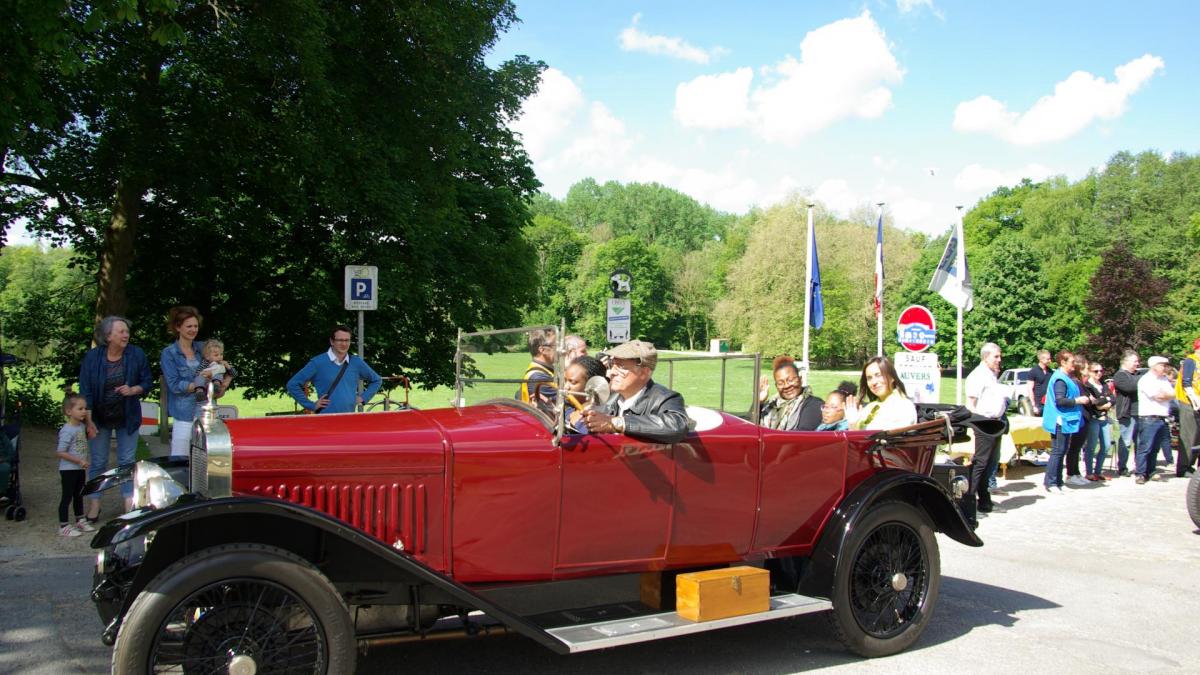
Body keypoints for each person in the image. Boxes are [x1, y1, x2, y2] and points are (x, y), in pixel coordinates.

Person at [80, 315, 153, 518]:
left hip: (127, 417)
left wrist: (133, 390)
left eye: (127, 331)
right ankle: (95, 504)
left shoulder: (136, 354)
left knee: (127, 461)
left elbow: (148, 382)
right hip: (99, 418)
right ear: (108, 336)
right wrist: (89, 421)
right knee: (98, 462)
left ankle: (128, 502)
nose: (126, 335)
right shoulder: (93, 357)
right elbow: (85, 391)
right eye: (121, 331)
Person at [582, 340, 688, 444]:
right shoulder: (610, 397)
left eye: (621, 366)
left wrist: (614, 423)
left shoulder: (665, 398)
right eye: (612, 364)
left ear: (644, 372)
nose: (612, 372)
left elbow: (676, 425)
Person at [160, 306, 232, 457]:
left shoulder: (204, 347)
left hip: (207, 411)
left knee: (207, 457)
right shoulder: (169, 353)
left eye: (196, 326)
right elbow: (174, 385)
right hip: (184, 413)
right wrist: (200, 385)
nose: (193, 329)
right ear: (177, 327)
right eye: (189, 326)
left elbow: (220, 367)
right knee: (180, 458)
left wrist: (223, 382)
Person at [286, 325, 382, 414]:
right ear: (332, 341)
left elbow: (377, 380)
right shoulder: (317, 363)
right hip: (325, 419)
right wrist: (311, 405)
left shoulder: (356, 362)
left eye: (347, 340)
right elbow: (292, 384)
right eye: (340, 340)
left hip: (349, 418)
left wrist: (363, 398)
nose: (344, 344)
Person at [965, 342, 1009, 513]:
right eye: (996, 356)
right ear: (985, 357)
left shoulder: (991, 375)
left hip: (995, 422)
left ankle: (984, 501)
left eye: (1000, 356)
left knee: (989, 464)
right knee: (980, 463)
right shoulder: (978, 376)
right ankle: (968, 501)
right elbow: (971, 404)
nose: (999, 359)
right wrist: (979, 424)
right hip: (984, 423)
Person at [1041, 350, 1089, 493]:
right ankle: (1050, 483)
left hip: (1067, 419)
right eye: (1072, 362)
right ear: (1063, 362)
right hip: (1060, 420)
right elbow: (1060, 400)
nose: (1074, 365)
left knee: (1061, 451)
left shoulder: (1066, 377)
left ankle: (1059, 482)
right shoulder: (1060, 379)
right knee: (1058, 451)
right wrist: (1078, 400)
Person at [56, 394, 93, 537]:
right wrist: (79, 461)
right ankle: (63, 525)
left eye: (85, 408)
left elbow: (89, 437)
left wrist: (89, 423)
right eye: (80, 408)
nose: (84, 411)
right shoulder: (67, 430)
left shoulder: (81, 426)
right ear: (69, 411)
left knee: (79, 495)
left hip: (79, 469)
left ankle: (80, 519)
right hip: (68, 470)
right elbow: (60, 452)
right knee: (67, 497)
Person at [845, 356, 917, 430]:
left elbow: (889, 436)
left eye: (878, 375)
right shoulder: (869, 408)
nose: (874, 382)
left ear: (892, 377)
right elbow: (855, 437)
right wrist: (852, 424)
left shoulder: (903, 405)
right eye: (869, 378)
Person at [1135, 355, 1175, 484]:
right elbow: (1158, 396)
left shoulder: (1164, 379)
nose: (1165, 368)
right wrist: (1167, 395)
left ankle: (1151, 471)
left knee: (1155, 448)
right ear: (1154, 366)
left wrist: (1167, 395)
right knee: (1145, 446)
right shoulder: (1146, 380)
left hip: (1162, 417)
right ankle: (1140, 473)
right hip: (1149, 417)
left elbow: (1173, 394)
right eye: (1163, 365)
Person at [758, 355, 823, 431]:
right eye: (780, 383)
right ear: (776, 386)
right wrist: (759, 402)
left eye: (791, 380)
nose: (787, 386)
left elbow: (802, 435)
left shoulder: (813, 404)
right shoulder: (771, 404)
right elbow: (750, 425)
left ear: (800, 379)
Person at [1082, 359, 1114, 481]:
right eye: (1096, 371)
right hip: (1093, 419)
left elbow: (1112, 399)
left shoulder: (1103, 384)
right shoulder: (1087, 386)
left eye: (1101, 371)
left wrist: (1104, 403)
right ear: (1090, 372)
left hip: (1104, 418)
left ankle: (1098, 471)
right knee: (1091, 446)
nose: (1099, 373)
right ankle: (1089, 472)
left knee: (1106, 446)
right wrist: (1103, 401)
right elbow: (1092, 402)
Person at [1063, 355, 1092, 485]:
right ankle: (1070, 473)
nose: (1088, 371)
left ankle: (1076, 472)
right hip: (1079, 417)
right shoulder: (1075, 383)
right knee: (1074, 447)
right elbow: (1085, 400)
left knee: (1078, 446)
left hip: (1085, 417)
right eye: (1086, 368)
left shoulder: (1081, 383)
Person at [1174, 338, 1200, 476]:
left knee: (1197, 437)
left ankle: (1192, 466)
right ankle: (1183, 468)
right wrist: (1196, 401)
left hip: (1197, 403)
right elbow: (1187, 383)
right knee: (1189, 436)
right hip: (1189, 403)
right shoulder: (1191, 361)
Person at [1112, 350, 1141, 477]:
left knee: (1140, 442)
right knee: (1126, 441)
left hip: (1140, 413)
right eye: (1135, 361)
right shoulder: (1120, 375)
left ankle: (1140, 467)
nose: (1138, 364)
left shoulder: (1137, 374)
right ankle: (1122, 467)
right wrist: (1144, 379)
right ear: (1126, 361)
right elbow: (1130, 387)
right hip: (1127, 413)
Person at [517, 328, 557, 413]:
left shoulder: (544, 370)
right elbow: (569, 401)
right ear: (542, 350)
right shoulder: (538, 377)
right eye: (555, 345)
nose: (560, 349)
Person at [564, 355, 607, 434]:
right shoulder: (569, 409)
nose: (565, 387)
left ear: (592, 385)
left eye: (573, 382)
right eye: (565, 381)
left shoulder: (593, 421)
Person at [1029, 349, 1053, 415]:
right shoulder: (1033, 371)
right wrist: (1033, 405)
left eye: (1050, 359)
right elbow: (1030, 389)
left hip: (1049, 402)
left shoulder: (1050, 372)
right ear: (1041, 359)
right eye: (1048, 359)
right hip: (1038, 404)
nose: (1050, 361)